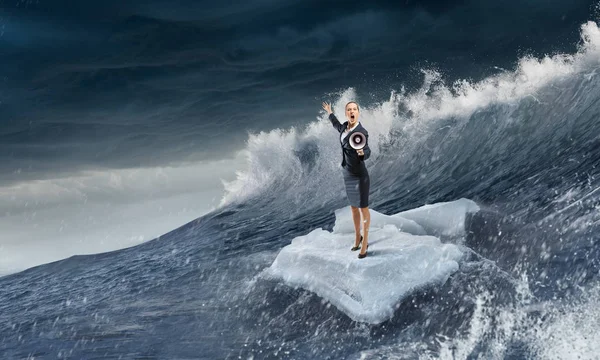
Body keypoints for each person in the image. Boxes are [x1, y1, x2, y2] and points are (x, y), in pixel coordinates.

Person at [322, 101, 371, 259]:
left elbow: (367, 151)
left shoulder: (361, 132)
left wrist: (362, 153)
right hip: (347, 174)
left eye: (354, 109)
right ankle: (358, 236)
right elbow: (336, 125)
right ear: (346, 113)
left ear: (358, 112)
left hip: (359, 175)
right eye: (349, 109)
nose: (352, 111)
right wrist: (330, 113)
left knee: (363, 208)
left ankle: (365, 242)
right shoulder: (344, 127)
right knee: (353, 208)